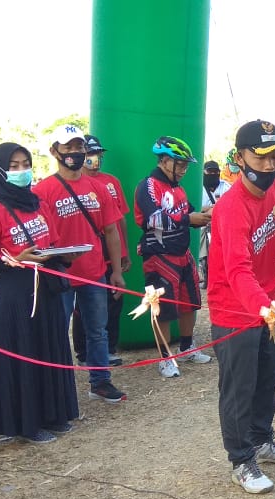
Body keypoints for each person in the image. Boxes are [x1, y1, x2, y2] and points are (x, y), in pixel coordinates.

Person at [209, 119, 275, 494]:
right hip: (236, 312)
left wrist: (271, 304)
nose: (269, 164)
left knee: (266, 381)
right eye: (260, 156)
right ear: (240, 156)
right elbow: (237, 270)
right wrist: (262, 308)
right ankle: (241, 460)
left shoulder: (274, 189)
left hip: (267, 307)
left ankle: (262, 440)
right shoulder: (231, 208)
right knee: (238, 389)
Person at [0, 142, 80, 444]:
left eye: (25, 164)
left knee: (51, 346)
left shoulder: (38, 203)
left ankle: (54, 414)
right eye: (14, 166)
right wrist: (17, 259)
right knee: (26, 351)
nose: (22, 171)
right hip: (17, 292)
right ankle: (28, 424)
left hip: (46, 286)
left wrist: (66, 255)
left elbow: (52, 243)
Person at [32, 124, 127, 403]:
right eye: (68, 147)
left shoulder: (98, 188)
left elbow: (111, 230)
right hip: (59, 275)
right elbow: (38, 233)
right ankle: (57, 384)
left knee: (97, 330)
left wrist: (117, 271)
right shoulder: (43, 190)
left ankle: (100, 381)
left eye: (78, 146)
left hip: (95, 273)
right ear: (54, 151)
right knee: (57, 331)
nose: (74, 152)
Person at [133, 136, 214, 378]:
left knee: (190, 301)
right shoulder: (148, 185)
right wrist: (189, 219)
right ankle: (165, 358)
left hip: (182, 253)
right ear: (165, 161)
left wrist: (204, 213)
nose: (185, 170)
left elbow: (187, 212)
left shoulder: (177, 188)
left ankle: (187, 346)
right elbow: (153, 219)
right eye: (181, 164)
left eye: (187, 165)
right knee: (163, 309)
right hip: (158, 255)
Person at [76, 134, 130, 366]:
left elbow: (121, 220)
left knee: (114, 300)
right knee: (84, 307)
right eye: (89, 154)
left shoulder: (112, 182)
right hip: (87, 255)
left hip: (113, 253)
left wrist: (124, 253)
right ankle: (82, 352)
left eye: (98, 154)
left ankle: (109, 348)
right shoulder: (74, 183)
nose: (94, 159)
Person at [198, 160, 231, 288]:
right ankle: (201, 263)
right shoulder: (198, 187)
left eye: (215, 172)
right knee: (200, 230)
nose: (213, 174)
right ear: (204, 172)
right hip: (205, 220)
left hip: (223, 220)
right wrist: (208, 208)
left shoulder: (226, 186)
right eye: (209, 171)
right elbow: (194, 208)